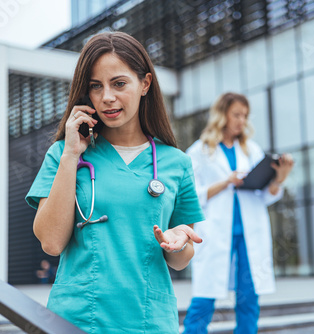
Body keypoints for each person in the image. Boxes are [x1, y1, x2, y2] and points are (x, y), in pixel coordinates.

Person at [25, 32, 205, 333]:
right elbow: (51, 243)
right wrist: (71, 154)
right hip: (79, 319)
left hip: (149, 321)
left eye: (119, 83)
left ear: (145, 84)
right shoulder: (63, 154)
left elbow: (181, 260)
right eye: (96, 86)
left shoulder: (177, 162)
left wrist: (177, 243)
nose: (107, 97)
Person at [184, 92, 294, 333]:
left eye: (244, 116)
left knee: (249, 296)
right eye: (236, 114)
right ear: (222, 115)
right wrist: (226, 182)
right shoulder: (199, 151)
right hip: (215, 231)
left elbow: (265, 196)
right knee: (205, 296)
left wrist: (280, 179)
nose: (241, 120)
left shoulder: (252, 150)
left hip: (249, 233)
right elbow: (190, 195)